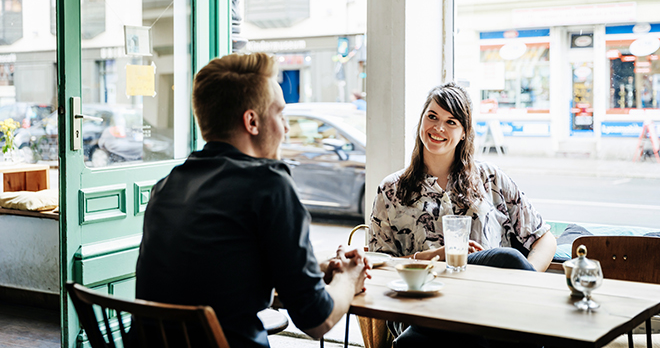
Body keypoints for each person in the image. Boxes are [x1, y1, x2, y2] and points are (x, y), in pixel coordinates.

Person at [135, 52, 370, 348]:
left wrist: (315, 269)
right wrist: (350, 277)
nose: (286, 129)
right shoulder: (269, 183)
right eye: (281, 115)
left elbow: (220, 282)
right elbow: (316, 320)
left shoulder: (167, 185)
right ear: (252, 121)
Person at [369, 83, 556, 348]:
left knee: (506, 264)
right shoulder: (391, 189)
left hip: (490, 303)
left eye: (451, 122)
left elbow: (544, 239)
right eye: (432, 117)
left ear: (464, 133)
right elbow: (378, 267)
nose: (439, 128)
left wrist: (524, 282)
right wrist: (432, 257)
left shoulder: (490, 178)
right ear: (422, 120)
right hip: (422, 306)